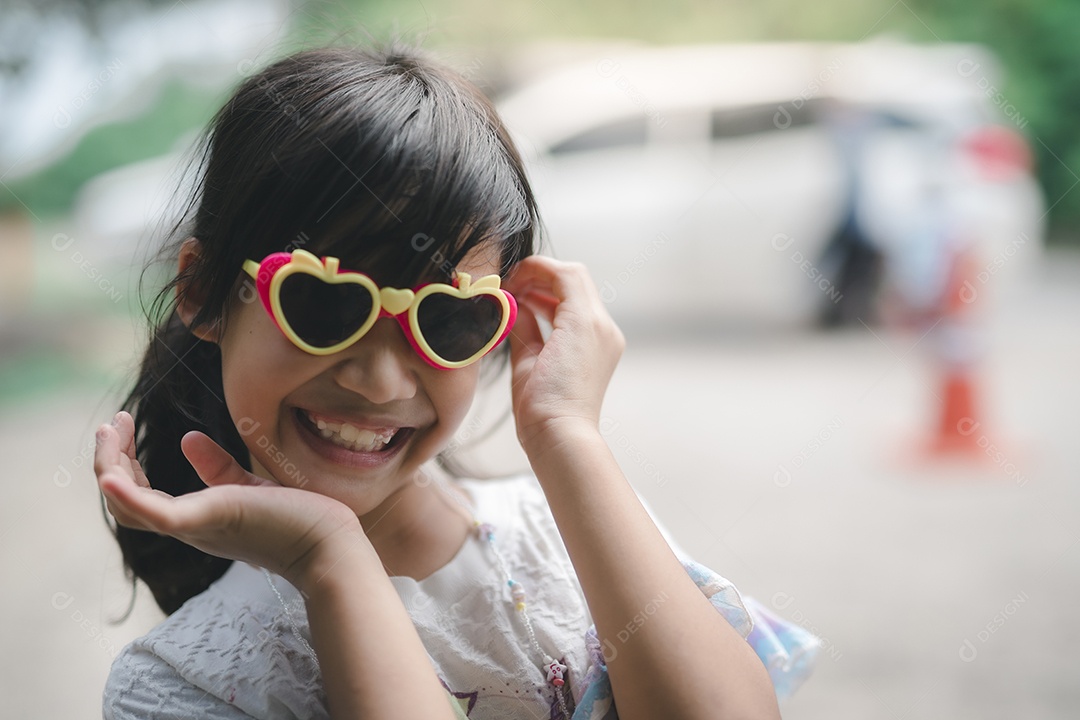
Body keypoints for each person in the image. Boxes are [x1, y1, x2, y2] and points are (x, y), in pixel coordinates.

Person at [94, 45, 818, 720]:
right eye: (322, 303)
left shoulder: (576, 535)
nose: (380, 382)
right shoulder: (183, 683)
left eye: (447, 321)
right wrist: (329, 560)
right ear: (202, 290)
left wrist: (565, 432)